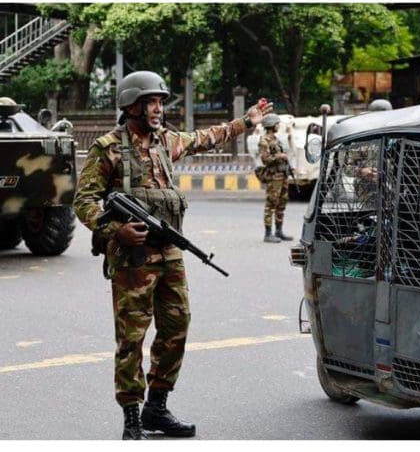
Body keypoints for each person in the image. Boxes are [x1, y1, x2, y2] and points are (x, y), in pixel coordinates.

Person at [73, 70, 272, 440]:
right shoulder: (109, 148)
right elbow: (83, 201)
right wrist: (117, 230)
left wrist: (246, 122)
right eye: (152, 102)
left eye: (161, 102)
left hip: (169, 254)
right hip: (133, 259)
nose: (159, 109)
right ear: (132, 105)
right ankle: (131, 417)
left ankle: (156, 408)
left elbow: (204, 138)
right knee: (131, 337)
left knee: (176, 327)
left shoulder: (166, 142)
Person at [258, 114, 293, 243]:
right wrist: (280, 156)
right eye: (277, 124)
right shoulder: (264, 141)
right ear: (272, 125)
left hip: (282, 175)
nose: (278, 126)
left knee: (282, 202)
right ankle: (268, 233)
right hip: (273, 177)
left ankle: (279, 231)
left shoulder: (276, 139)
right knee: (271, 203)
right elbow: (265, 159)